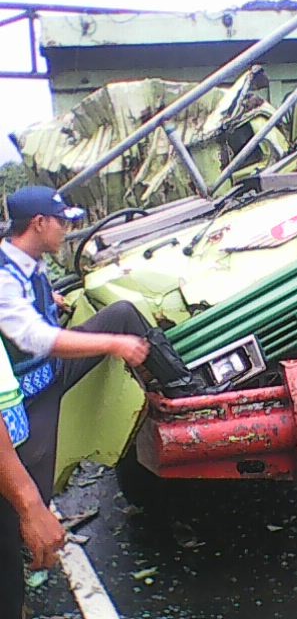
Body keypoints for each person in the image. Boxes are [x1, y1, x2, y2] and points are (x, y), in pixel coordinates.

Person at [0, 185, 225, 618]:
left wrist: (57, 300)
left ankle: (184, 391)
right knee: (27, 501)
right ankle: (18, 588)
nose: (68, 231)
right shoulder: (4, 274)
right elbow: (33, 337)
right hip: (27, 398)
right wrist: (115, 344)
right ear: (39, 224)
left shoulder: (29, 262)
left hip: (49, 374)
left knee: (123, 311)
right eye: (62, 222)